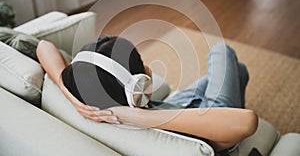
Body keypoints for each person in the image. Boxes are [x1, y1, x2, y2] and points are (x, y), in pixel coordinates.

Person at [37, 35, 258, 154]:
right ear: (138, 86)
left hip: (169, 107)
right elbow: (247, 121)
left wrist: (67, 91)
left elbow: (44, 46)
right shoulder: (145, 120)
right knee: (222, 51)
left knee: (237, 71)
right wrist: (137, 115)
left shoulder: (87, 100)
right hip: (207, 121)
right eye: (143, 65)